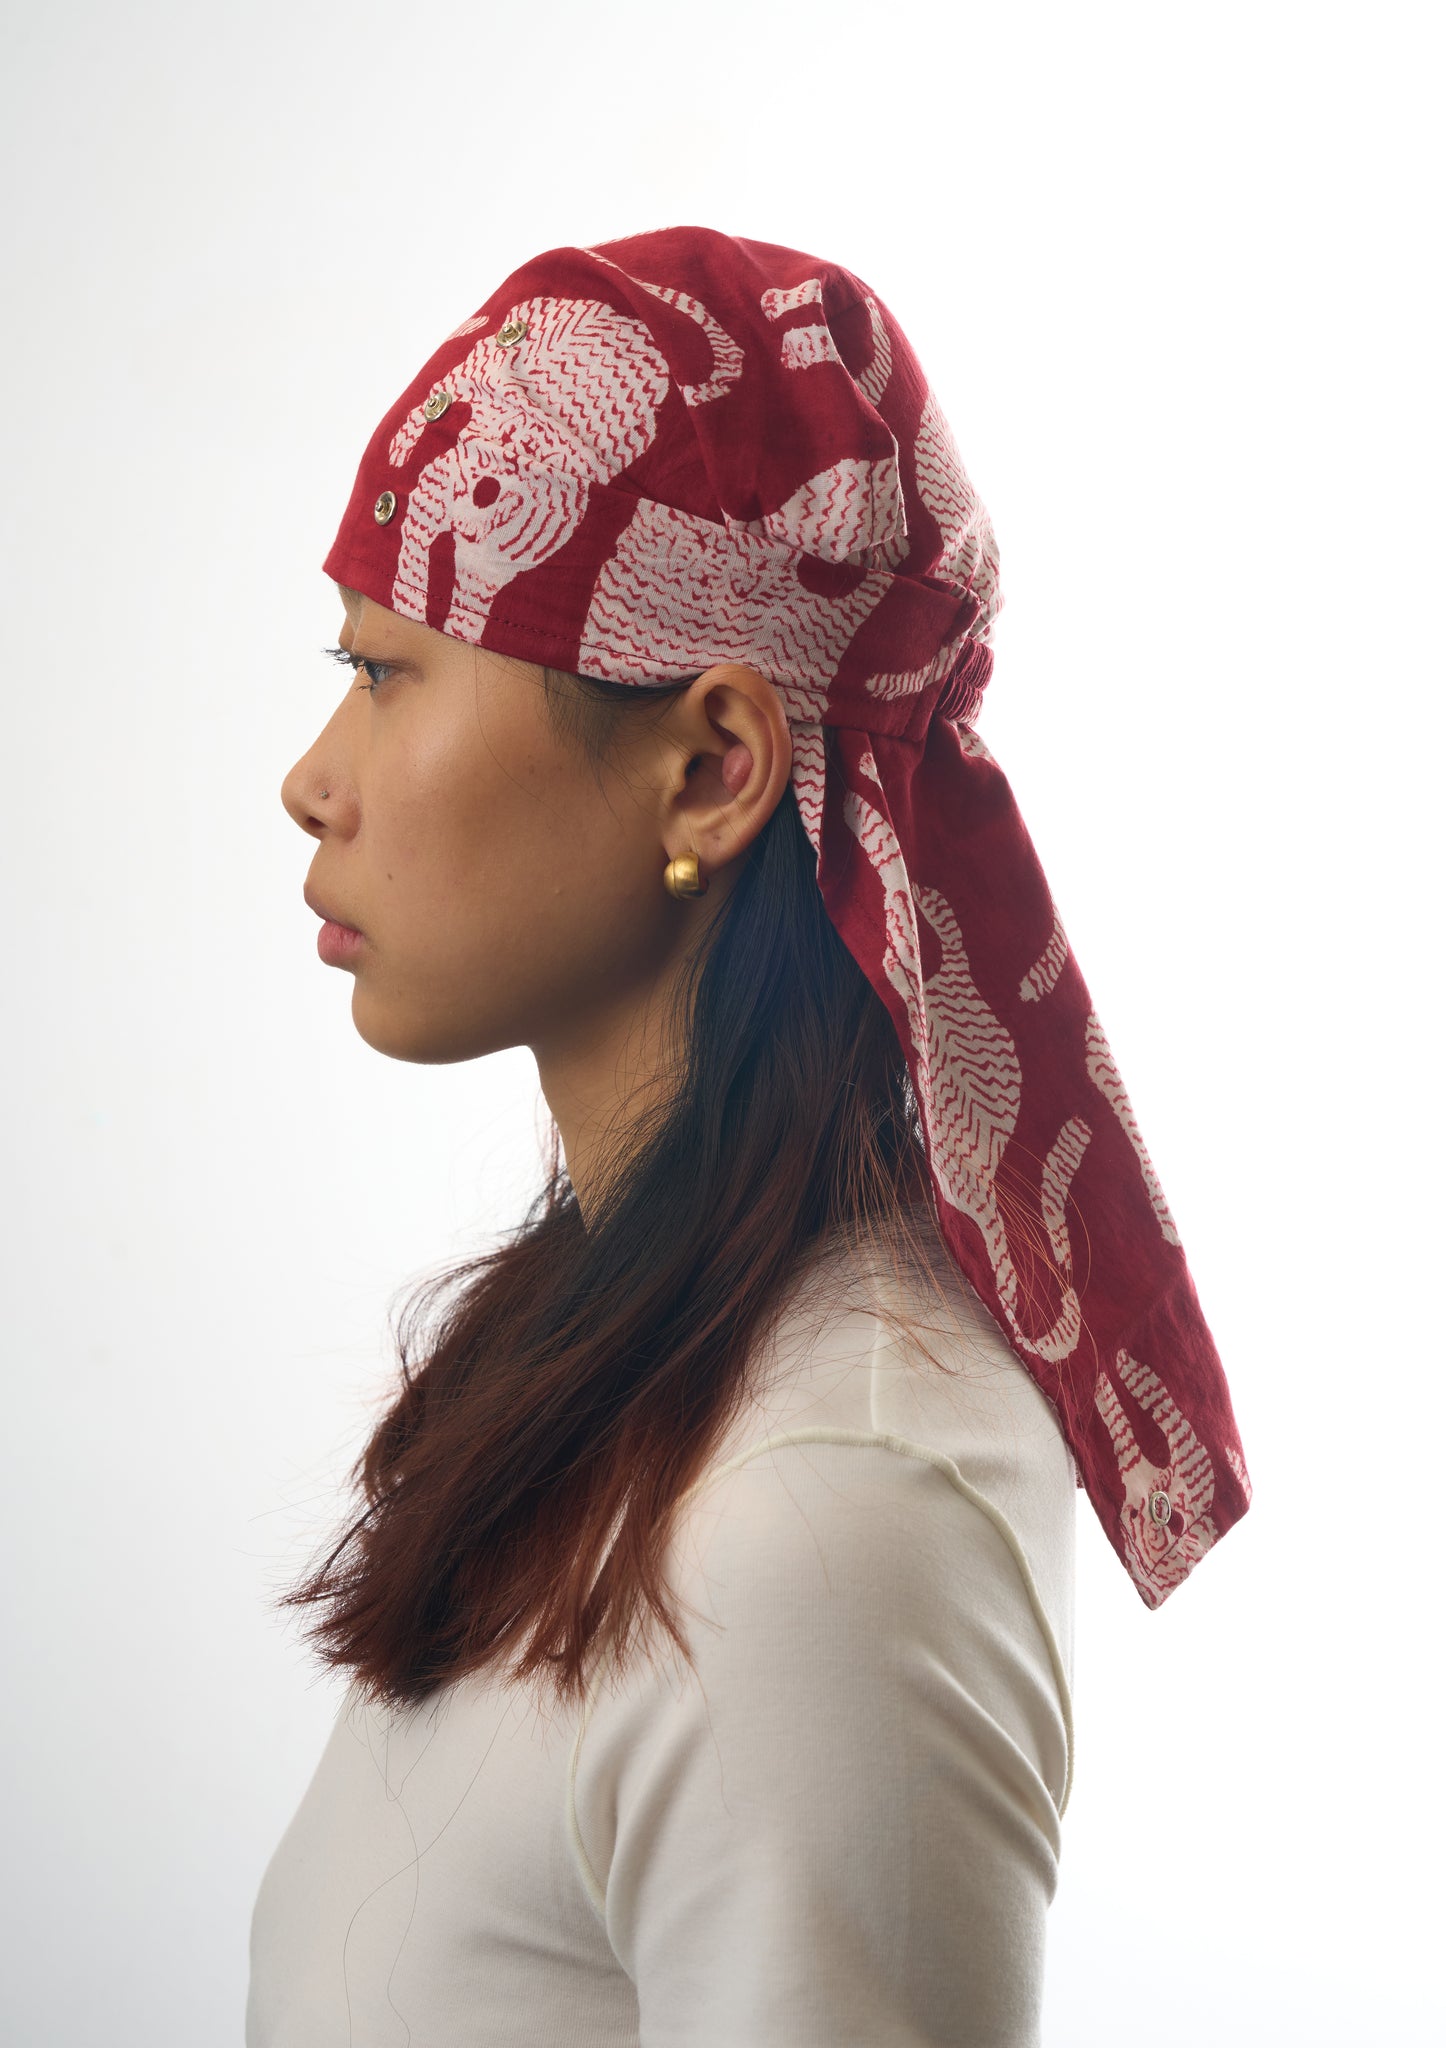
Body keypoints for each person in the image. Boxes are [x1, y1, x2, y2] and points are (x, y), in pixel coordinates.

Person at [252, 224, 1252, 2047]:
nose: (311, 780)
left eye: (389, 673)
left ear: (713, 764)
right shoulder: (639, 1367)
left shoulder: (826, 1517)